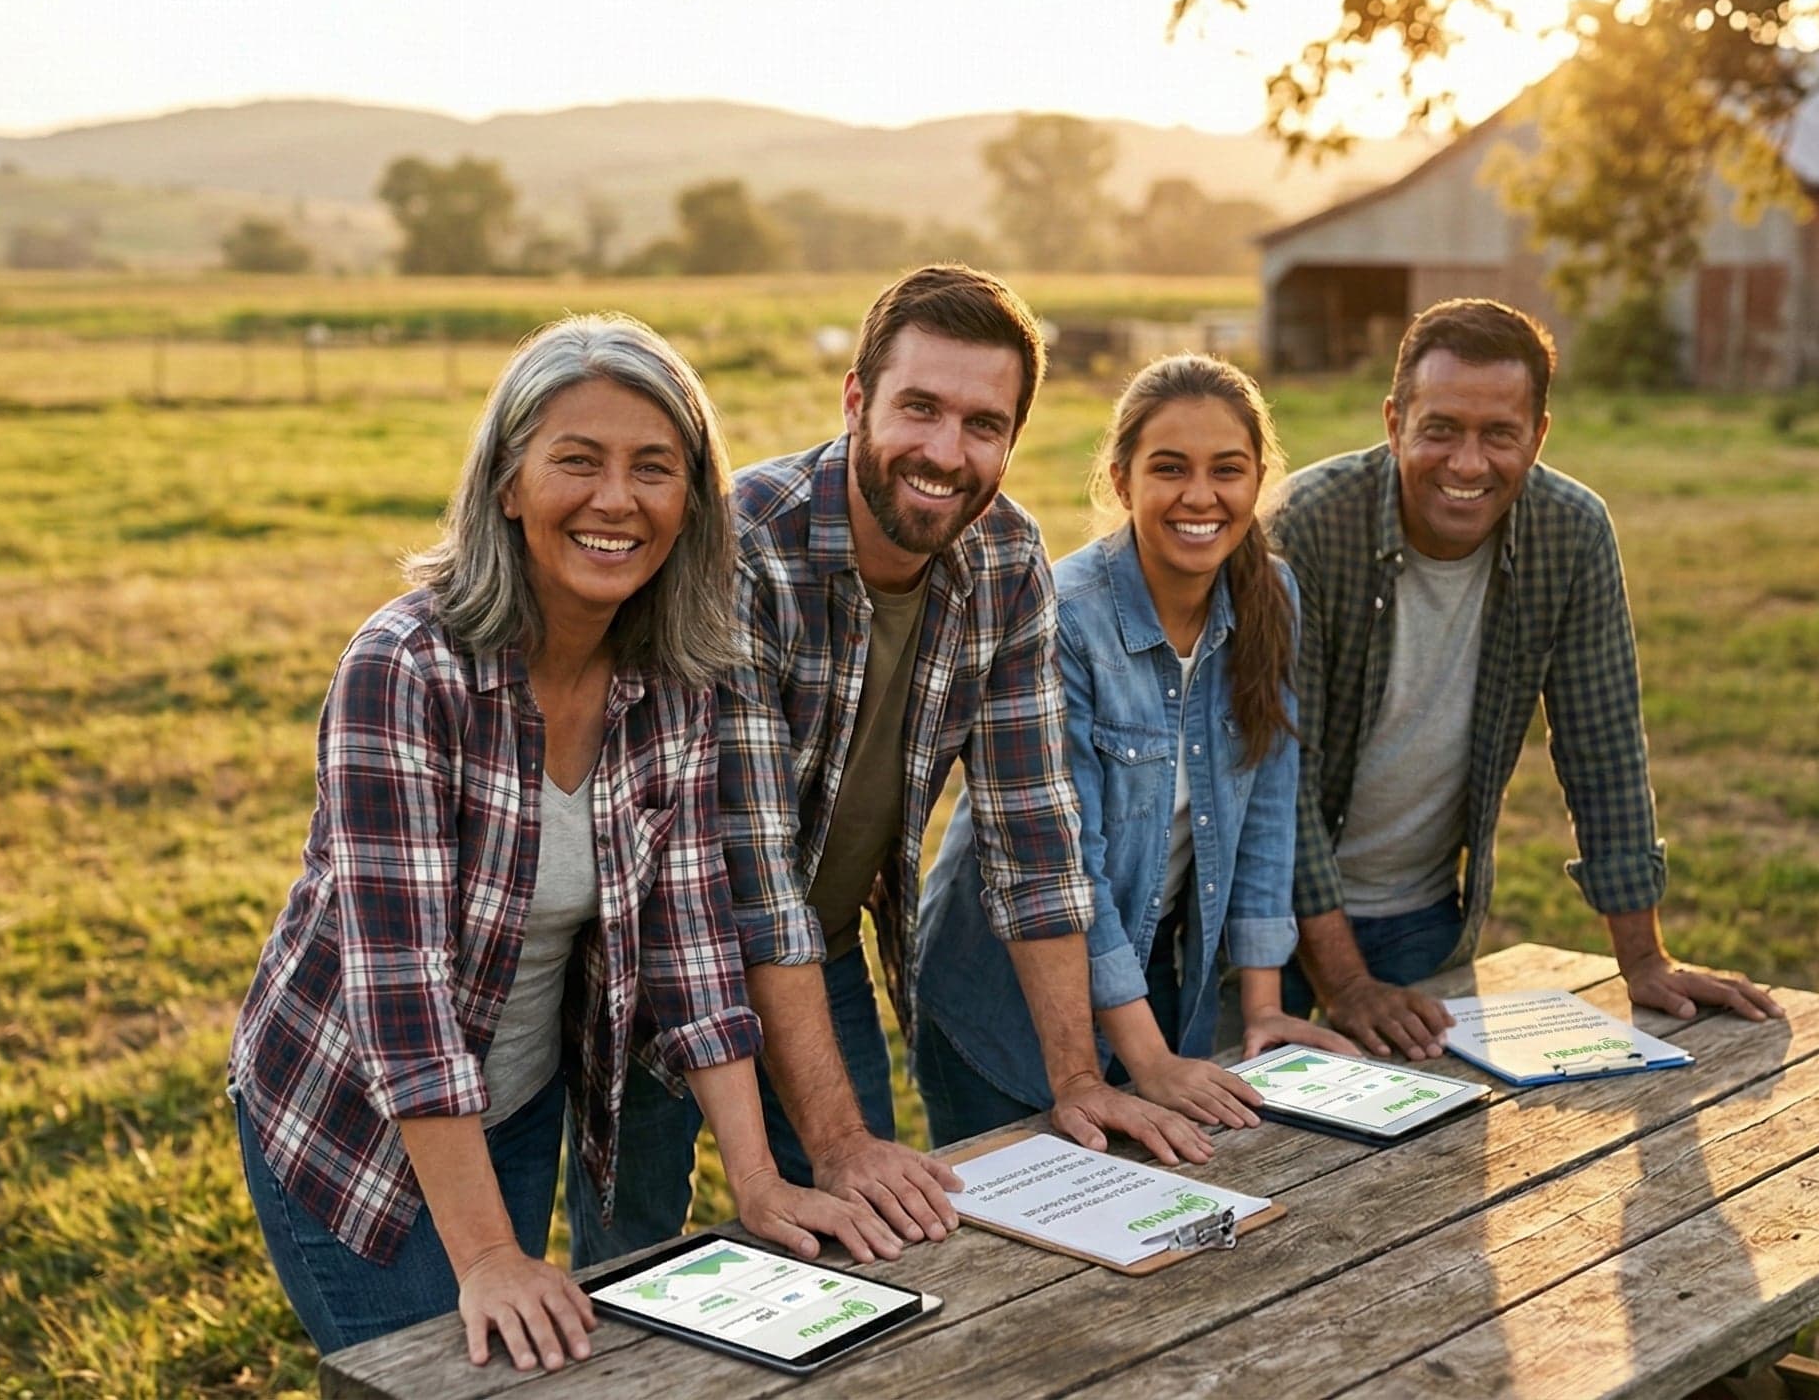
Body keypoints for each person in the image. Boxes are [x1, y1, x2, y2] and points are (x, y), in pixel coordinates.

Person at [229, 316, 891, 1371]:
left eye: (653, 469)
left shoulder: (673, 671)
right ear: (506, 483)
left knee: (528, 1366)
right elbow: (401, 1001)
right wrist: (490, 1252)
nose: (615, 499)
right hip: (353, 1124)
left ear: (691, 499)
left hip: (519, 1098)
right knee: (433, 1377)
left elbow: (690, 947)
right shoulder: (403, 670)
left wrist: (759, 1181)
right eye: (576, 461)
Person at [584, 266, 1209, 1264]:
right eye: (919, 408)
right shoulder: (746, 548)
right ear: (854, 402)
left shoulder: (1005, 561)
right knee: (636, 1258)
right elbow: (755, 877)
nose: (945, 452)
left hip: (817, 949)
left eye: (983, 424)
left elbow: (1034, 842)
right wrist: (830, 1143)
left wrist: (1078, 1079)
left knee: (879, 1241)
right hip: (657, 961)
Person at [1270, 298, 1784, 1059]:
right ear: (1393, 421)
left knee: (1426, 1157)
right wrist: (1344, 985)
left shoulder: (1571, 532)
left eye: (1499, 435)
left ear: (1538, 436)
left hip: (1420, 916)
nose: (1468, 464)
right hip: (1258, 921)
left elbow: (1601, 747)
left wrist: (1643, 959)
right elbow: (1281, 773)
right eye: (1440, 429)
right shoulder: (1306, 524)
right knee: (1241, 1144)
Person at [911, 355, 1360, 1144]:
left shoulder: (1272, 597)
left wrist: (1263, 1009)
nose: (1200, 496)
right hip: (1006, 1003)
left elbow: (1267, 817)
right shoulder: (1067, 619)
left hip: (1148, 976)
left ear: (1260, 480)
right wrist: (1149, 1063)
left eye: (1228, 470)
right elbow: (1067, 862)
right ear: (1121, 482)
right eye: (1169, 469)